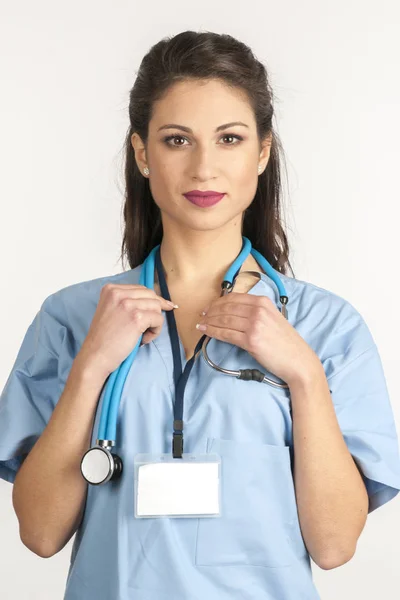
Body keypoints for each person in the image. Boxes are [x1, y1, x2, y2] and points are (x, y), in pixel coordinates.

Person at [1, 30, 400, 600]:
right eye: (177, 140)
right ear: (142, 153)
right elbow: (40, 533)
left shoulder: (325, 325)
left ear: (262, 152)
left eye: (230, 138)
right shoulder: (71, 318)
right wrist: (91, 366)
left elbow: (335, 546)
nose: (204, 167)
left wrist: (305, 376)